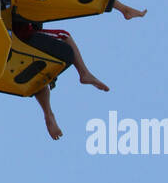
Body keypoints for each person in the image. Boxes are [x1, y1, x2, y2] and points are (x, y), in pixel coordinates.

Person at [11, 11, 109, 141]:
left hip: (19, 37)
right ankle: (84, 74)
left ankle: (49, 114)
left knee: (42, 73)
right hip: (21, 37)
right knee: (63, 37)